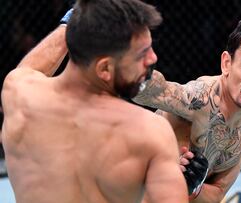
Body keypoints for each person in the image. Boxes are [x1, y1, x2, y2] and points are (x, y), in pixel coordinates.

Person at [0, 0, 188, 202]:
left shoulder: (18, 94)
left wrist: (81, 17)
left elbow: (28, 70)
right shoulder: (148, 132)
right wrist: (178, 183)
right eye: (142, 54)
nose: (152, 58)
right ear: (104, 69)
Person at [133, 10, 241, 202]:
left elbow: (217, 193)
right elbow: (153, 89)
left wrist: (194, 186)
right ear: (226, 63)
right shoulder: (198, 100)